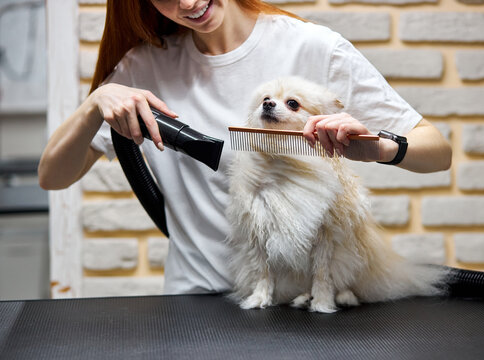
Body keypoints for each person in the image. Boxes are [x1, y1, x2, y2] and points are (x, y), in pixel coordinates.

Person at [38, 0, 452, 294]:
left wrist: (379, 148)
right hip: (197, 300)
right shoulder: (145, 67)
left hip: (301, 305)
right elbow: (52, 177)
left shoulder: (314, 48)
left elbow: (436, 152)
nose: (188, 3)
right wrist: (94, 105)